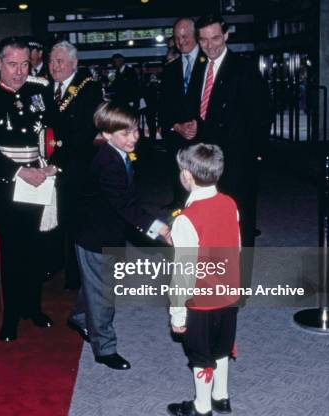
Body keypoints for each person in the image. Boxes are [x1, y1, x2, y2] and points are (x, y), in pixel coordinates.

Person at [69, 102, 169, 370]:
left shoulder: (117, 153)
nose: (134, 138)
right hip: (94, 234)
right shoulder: (107, 162)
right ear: (106, 133)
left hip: (106, 228)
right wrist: (159, 228)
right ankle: (105, 348)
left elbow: (125, 199)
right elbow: (126, 205)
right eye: (125, 134)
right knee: (103, 291)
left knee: (95, 280)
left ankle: (79, 316)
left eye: (135, 131)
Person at [0, 36, 57, 342]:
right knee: (10, 251)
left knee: (36, 248)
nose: (19, 72)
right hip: (6, 183)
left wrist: (52, 164)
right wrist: (19, 171)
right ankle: (10, 316)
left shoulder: (40, 90)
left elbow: (55, 132)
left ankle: (32, 307)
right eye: (12, 65)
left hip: (40, 178)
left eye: (24, 64)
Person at [167, 143, 240, 416]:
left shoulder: (186, 219)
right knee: (222, 347)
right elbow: (238, 247)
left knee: (200, 355)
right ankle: (222, 396)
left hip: (200, 301)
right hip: (229, 293)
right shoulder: (230, 204)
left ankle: (201, 406)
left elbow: (183, 273)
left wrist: (177, 314)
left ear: (186, 175)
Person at [186, 14, 270, 248]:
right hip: (206, 156)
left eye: (215, 38)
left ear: (226, 35)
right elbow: (201, 106)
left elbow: (262, 112)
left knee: (240, 217)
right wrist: (192, 123)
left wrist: (256, 152)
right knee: (211, 216)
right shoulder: (200, 67)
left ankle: (241, 277)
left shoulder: (244, 69)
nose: (209, 46)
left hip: (237, 157)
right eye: (203, 40)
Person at [48, 41, 103, 290]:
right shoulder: (46, 87)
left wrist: (57, 159)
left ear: (74, 63)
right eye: (51, 61)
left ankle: (75, 276)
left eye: (60, 61)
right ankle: (54, 264)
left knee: (74, 223)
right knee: (53, 219)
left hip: (75, 167)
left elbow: (84, 132)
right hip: (49, 166)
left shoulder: (89, 88)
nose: (54, 66)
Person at [159, 17, 204, 209]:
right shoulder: (170, 70)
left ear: (195, 35)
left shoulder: (208, 63)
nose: (181, 41)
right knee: (179, 173)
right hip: (178, 135)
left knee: (203, 176)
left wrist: (198, 124)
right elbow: (164, 105)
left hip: (204, 134)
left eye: (185, 36)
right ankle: (181, 205)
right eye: (177, 37)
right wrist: (175, 126)